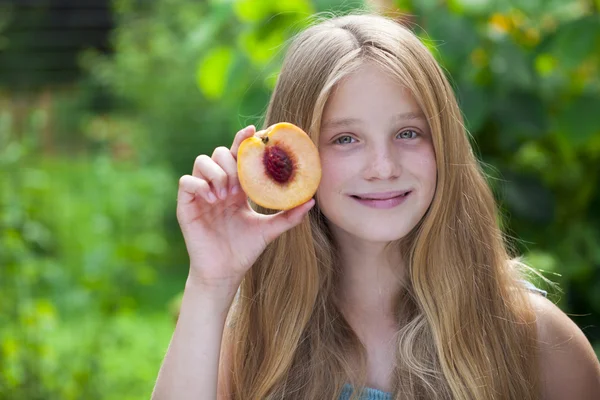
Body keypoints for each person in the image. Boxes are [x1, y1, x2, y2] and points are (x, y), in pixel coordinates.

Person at [151, 12, 600, 400]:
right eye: (345, 139)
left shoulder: (534, 337)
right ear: (297, 153)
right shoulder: (251, 339)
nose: (383, 167)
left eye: (408, 133)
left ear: (443, 143)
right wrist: (211, 282)